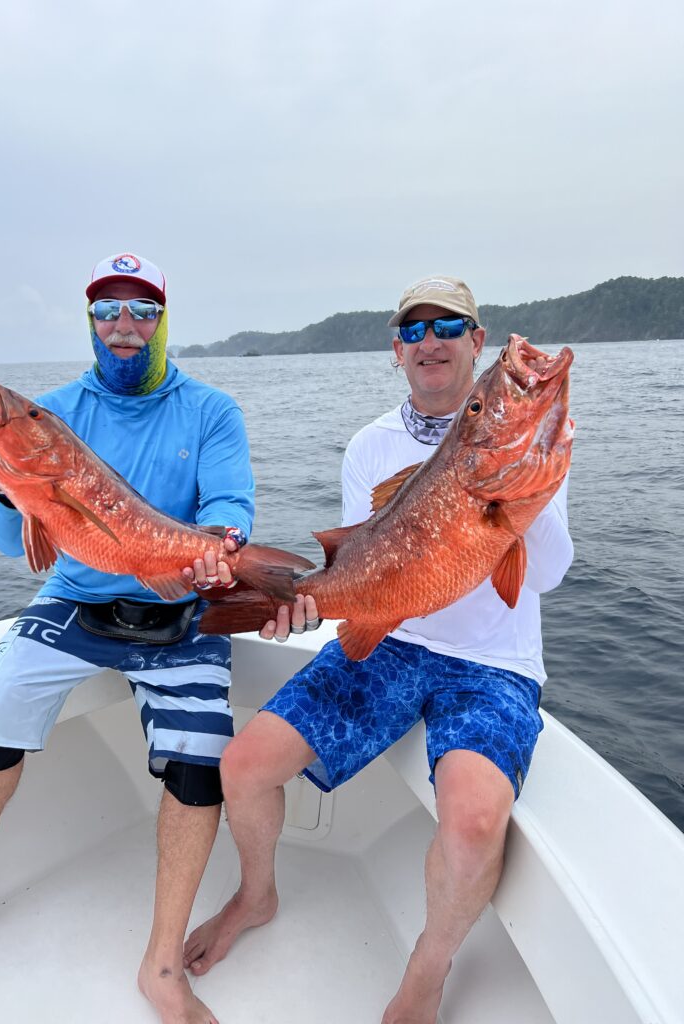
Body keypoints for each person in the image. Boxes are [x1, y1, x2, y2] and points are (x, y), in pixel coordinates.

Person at [180, 275, 574, 1024]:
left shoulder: (535, 448)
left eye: (448, 326)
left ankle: (426, 974)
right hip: (393, 639)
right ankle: (256, 894)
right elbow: (366, 571)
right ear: (397, 350)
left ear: (476, 341)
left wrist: (530, 486)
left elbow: (543, 576)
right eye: (414, 329)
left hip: (493, 667)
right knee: (243, 765)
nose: (431, 340)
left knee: (474, 821)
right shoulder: (371, 446)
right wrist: (305, 605)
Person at [0, 252, 251, 1024]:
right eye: (108, 312)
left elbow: (232, 509)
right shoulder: (59, 411)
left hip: (179, 612)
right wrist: (3, 484)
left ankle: (162, 964)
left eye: (141, 312)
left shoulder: (211, 411)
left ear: (163, 321)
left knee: (201, 764)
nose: (124, 327)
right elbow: (12, 544)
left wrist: (218, 550)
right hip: (77, 599)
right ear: (90, 322)